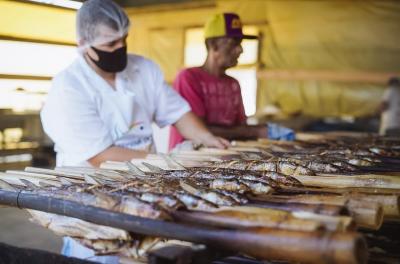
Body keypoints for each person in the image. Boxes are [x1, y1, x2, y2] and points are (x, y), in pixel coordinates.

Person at [40, 0, 228, 262]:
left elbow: (178, 113)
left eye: (124, 39)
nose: (120, 49)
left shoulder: (144, 69)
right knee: (101, 253)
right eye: (110, 44)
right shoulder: (69, 86)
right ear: (84, 43)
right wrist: (167, 163)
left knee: (142, 252)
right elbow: (100, 156)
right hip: (92, 198)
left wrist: (207, 138)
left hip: (144, 189)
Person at [169, 13, 294, 150]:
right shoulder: (188, 78)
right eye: (234, 43)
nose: (240, 50)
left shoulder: (233, 84)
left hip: (221, 158)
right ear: (213, 45)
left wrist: (257, 130)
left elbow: (241, 128)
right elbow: (198, 130)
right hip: (187, 160)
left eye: (240, 43)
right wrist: (256, 131)